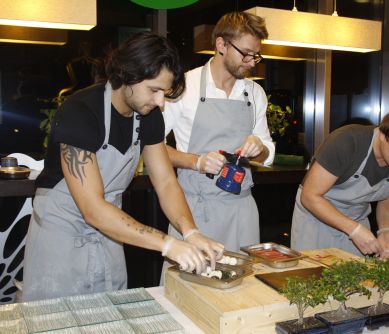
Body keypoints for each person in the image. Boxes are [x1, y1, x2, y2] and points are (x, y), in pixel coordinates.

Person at [22, 32, 224, 302]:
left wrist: (191, 232)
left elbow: (165, 182)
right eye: (154, 89)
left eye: (164, 92)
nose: (160, 102)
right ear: (126, 75)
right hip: (61, 237)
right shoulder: (80, 111)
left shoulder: (149, 116)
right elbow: (93, 209)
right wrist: (167, 244)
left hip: (110, 234)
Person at [163, 12, 275, 253]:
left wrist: (259, 147)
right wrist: (196, 161)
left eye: (256, 55)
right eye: (245, 53)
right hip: (194, 210)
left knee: (244, 287)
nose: (252, 62)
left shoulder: (255, 93)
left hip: (241, 210)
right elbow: (151, 148)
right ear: (221, 44)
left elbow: (266, 156)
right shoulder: (184, 87)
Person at [291, 109, 389, 259]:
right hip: (315, 219)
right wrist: (354, 230)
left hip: (356, 218)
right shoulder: (346, 142)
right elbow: (310, 196)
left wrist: (386, 230)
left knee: (356, 278)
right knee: (311, 277)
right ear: (383, 135)